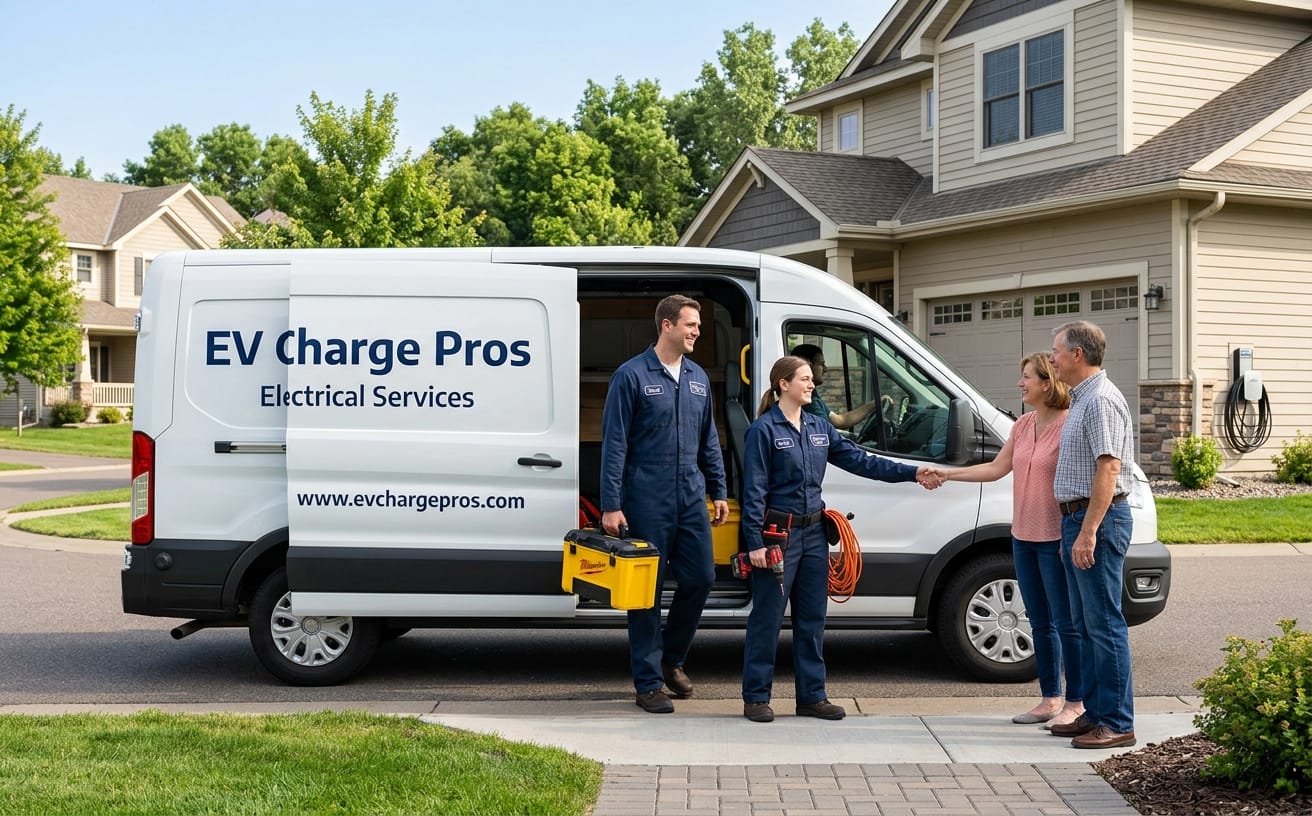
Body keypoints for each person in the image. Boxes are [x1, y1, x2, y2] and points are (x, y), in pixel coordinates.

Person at [740, 355, 942, 723]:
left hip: (816, 534)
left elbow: (864, 461)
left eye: (810, 379)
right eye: (804, 379)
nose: (811, 384)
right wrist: (754, 542)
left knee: (812, 618)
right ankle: (756, 698)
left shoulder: (819, 427)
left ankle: (812, 697)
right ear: (783, 384)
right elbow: (753, 490)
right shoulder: (763, 431)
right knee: (767, 619)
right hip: (777, 537)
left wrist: (914, 472)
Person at [600, 294, 730, 714]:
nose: (697, 332)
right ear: (667, 326)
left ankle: (671, 658)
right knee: (646, 593)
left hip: (690, 494)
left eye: (698, 326)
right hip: (646, 496)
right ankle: (649, 682)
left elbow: (709, 438)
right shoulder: (632, 375)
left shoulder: (696, 378)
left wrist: (719, 490)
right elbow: (615, 444)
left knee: (702, 578)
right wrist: (611, 504)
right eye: (691, 324)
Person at [940, 353, 1084, 728]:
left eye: (1027, 378)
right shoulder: (1022, 426)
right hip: (1023, 536)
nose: (1021, 384)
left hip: (1056, 537)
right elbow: (996, 468)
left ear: (1048, 383)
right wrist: (946, 475)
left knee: (1065, 622)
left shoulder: (1070, 425)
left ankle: (1077, 702)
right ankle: (1050, 699)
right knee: (1038, 622)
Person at [1046, 320, 1138, 750]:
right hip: (1078, 520)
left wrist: (1087, 532)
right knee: (1086, 624)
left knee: (1104, 625)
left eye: (1057, 351)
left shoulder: (1100, 400)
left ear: (1078, 355)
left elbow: (1110, 468)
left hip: (1095, 521)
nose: (1052, 359)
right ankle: (1097, 714)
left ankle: (1117, 723)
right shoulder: (1083, 399)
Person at [788, 344, 888, 431]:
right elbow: (827, 434)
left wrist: (875, 404)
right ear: (807, 366)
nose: (825, 369)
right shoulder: (806, 402)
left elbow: (840, 421)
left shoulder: (812, 394)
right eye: (821, 364)